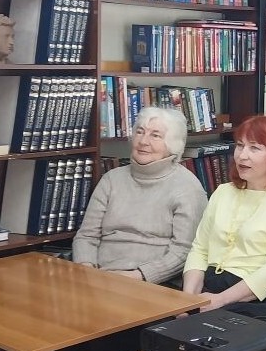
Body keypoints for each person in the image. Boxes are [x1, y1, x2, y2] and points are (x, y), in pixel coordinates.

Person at [183, 116, 266, 325]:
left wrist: (220, 300)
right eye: (240, 145)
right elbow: (200, 249)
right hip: (211, 288)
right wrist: (186, 301)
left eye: (254, 148)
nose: (242, 155)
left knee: (209, 332)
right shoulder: (223, 192)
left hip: (263, 297)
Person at [73, 107, 207, 284]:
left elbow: (184, 251)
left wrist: (138, 276)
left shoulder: (188, 187)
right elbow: (86, 236)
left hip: (153, 283)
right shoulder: (111, 179)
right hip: (100, 277)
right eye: (140, 132)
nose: (143, 141)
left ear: (173, 144)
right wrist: (87, 271)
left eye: (155, 135)